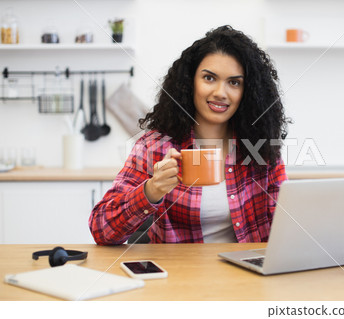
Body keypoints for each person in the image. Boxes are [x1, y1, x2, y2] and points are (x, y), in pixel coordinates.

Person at [89, 25, 291, 245]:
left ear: (247, 91)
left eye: (234, 82)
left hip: (247, 275)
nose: (220, 93)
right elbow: (101, 229)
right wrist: (152, 190)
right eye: (209, 78)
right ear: (190, 82)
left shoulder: (261, 147)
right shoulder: (155, 147)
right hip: (179, 275)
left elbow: (286, 228)